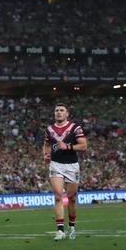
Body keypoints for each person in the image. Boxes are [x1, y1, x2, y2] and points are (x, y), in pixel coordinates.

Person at [43, 103, 87, 241]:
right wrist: (46, 154)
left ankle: (72, 225)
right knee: (57, 196)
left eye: (62, 110)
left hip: (72, 166)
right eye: (56, 110)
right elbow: (46, 144)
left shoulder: (75, 128)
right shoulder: (49, 129)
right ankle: (60, 230)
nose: (59, 112)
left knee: (72, 198)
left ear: (67, 113)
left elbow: (84, 146)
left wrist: (67, 146)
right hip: (56, 165)